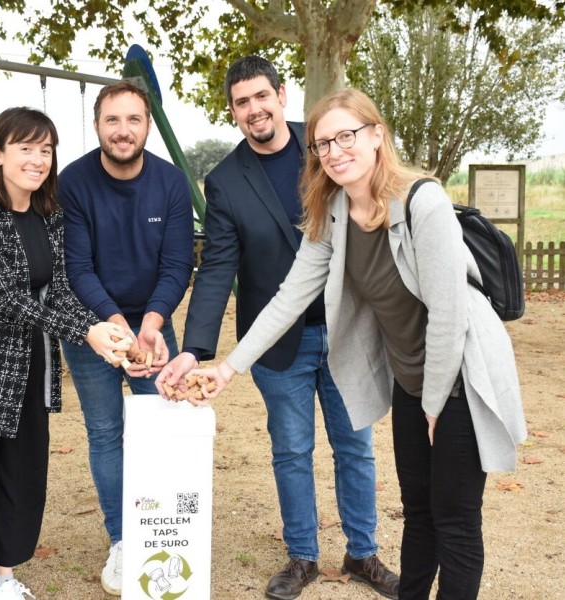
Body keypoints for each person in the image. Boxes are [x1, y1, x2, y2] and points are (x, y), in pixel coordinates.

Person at [191, 88, 528, 599]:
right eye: (323, 144)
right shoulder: (333, 209)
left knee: (455, 521)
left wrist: (434, 403)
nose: (334, 151)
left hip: (462, 375)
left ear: (376, 136)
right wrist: (227, 368)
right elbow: (288, 298)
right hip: (414, 381)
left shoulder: (423, 200)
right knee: (417, 512)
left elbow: (448, 315)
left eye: (346, 136)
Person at [156, 56, 398, 600]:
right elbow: (217, 267)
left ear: (281, 95)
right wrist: (196, 348)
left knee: (354, 447)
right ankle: (302, 557)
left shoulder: (325, 149)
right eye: (242, 102)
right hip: (276, 341)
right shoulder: (223, 182)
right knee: (291, 450)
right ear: (234, 112)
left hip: (346, 330)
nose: (254, 109)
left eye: (261, 96)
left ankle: (363, 553)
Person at [0, 107, 129, 600]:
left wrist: (100, 326)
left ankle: (4, 574)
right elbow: (9, 298)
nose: (37, 160)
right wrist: (88, 333)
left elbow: (58, 292)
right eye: (25, 148)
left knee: (21, 480)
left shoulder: (49, 216)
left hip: (25, 370)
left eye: (46, 150)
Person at [57, 81, 194, 596]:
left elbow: (179, 263)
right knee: (107, 432)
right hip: (93, 324)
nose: (123, 130)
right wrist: (116, 327)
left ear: (147, 125)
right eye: (112, 120)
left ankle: (168, 533)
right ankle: (122, 540)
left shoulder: (172, 183)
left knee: (163, 424)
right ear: (97, 126)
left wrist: (152, 327)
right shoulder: (73, 182)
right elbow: (77, 267)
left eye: (133, 119)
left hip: (152, 321)